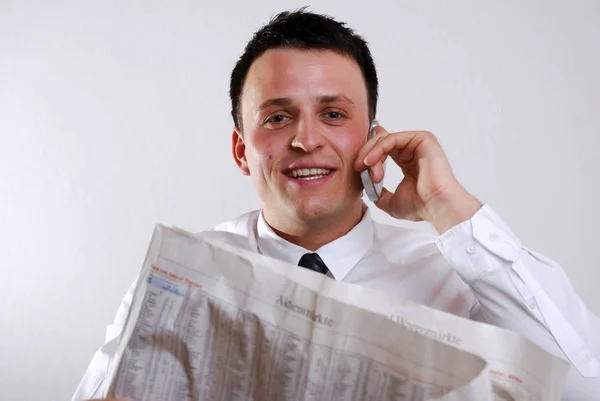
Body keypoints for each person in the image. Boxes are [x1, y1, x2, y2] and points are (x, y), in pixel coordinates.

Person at [73, 8, 599, 401]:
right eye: (278, 117)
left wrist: (446, 205)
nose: (306, 140)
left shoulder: (455, 272)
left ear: (373, 138)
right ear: (241, 150)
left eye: (333, 114)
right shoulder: (180, 278)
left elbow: (580, 384)